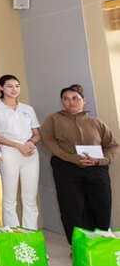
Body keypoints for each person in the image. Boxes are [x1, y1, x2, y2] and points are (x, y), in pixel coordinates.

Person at [40, 84, 118, 243]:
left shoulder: (96, 122)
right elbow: (48, 141)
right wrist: (71, 158)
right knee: (72, 208)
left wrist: (102, 160)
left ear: (84, 101)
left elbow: (113, 146)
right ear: (62, 101)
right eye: (66, 99)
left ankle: (101, 244)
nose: (71, 102)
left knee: (101, 205)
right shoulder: (53, 120)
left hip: (97, 170)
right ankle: (77, 246)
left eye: (75, 98)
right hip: (66, 169)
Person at [0, 74, 41, 229]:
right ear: (1, 88)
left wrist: (30, 143)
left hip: (30, 154)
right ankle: (13, 234)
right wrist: (18, 146)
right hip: (9, 153)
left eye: (17, 86)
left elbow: (37, 134)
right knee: (10, 198)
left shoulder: (28, 109)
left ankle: (30, 233)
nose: (14, 89)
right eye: (9, 86)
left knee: (30, 197)